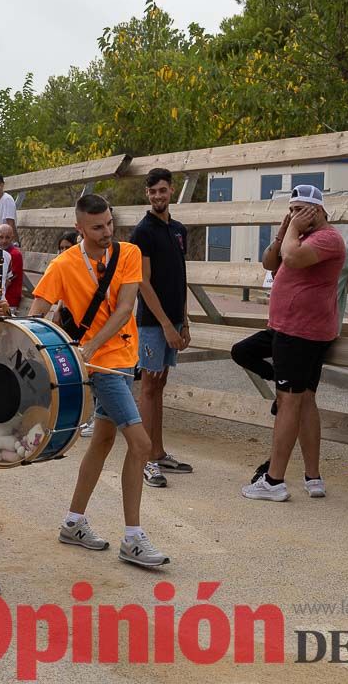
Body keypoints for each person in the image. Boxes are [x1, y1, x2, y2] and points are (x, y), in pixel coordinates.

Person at [30, 194, 169, 569]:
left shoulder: (128, 254)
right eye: (97, 227)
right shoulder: (63, 265)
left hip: (122, 359)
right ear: (79, 229)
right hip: (98, 368)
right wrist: (67, 349)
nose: (107, 231)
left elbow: (126, 308)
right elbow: (36, 314)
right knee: (141, 445)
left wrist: (89, 345)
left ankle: (73, 521)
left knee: (104, 440)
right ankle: (133, 537)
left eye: (109, 223)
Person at [233, 185, 345, 503]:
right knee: (302, 398)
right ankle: (313, 477)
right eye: (292, 209)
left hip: (301, 333)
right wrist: (285, 231)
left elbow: (292, 260)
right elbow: (272, 262)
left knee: (291, 403)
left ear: (319, 212)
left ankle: (274, 481)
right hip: (285, 329)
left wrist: (294, 230)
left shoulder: (327, 238)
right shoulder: (295, 236)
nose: (295, 215)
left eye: (302, 210)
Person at [130, 169, 193, 489]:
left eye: (163, 190)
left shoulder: (179, 230)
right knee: (149, 387)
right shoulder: (143, 231)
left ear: (172, 191)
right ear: (147, 194)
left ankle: (158, 450)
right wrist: (166, 325)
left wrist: (184, 321)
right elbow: (143, 282)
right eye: (153, 191)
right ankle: (145, 459)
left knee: (161, 383)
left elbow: (180, 277)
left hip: (173, 321)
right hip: (154, 323)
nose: (158, 196)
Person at [0, 223, 24, 309]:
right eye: (1, 237)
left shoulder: (15, 254)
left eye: (7, 237)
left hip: (9, 301)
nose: (4, 241)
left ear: (12, 238)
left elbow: (8, 281)